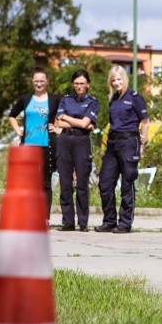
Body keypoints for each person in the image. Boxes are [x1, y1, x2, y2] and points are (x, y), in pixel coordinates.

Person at [95, 66, 148, 234]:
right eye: (113, 80)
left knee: (127, 183)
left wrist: (142, 145)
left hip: (129, 142)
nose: (116, 83)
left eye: (119, 79)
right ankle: (109, 221)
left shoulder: (135, 97)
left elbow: (145, 122)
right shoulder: (113, 99)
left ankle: (125, 223)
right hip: (113, 143)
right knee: (105, 182)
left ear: (125, 79)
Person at [8, 66, 62, 221]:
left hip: (47, 145)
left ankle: (44, 218)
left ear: (47, 82)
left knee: (45, 183)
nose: (39, 84)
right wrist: (18, 131)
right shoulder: (25, 99)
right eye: (36, 81)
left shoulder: (55, 100)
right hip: (27, 146)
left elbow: (64, 115)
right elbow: (12, 115)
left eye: (42, 81)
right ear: (32, 82)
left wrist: (58, 128)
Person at [55, 70, 100, 232]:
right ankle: (67, 222)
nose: (79, 86)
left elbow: (84, 124)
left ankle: (83, 222)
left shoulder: (93, 102)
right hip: (65, 141)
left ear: (87, 84)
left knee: (82, 183)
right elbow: (59, 124)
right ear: (73, 84)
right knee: (65, 183)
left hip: (82, 141)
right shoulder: (66, 100)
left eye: (82, 83)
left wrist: (67, 118)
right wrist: (79, 122)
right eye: (76, 83)